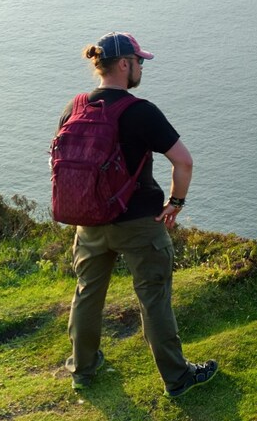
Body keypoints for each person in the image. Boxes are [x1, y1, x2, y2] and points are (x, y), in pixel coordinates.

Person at [59, 31, 220, 398]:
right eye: (139, 61)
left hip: (90, 222)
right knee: (154, 298)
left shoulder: (75, 106)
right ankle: (177, 379)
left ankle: (83, 369)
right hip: (138, 224)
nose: (141, 67)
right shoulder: (140, 111)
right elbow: (184, 161)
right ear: (124, 65)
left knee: (87, 294)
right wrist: (176, 204)